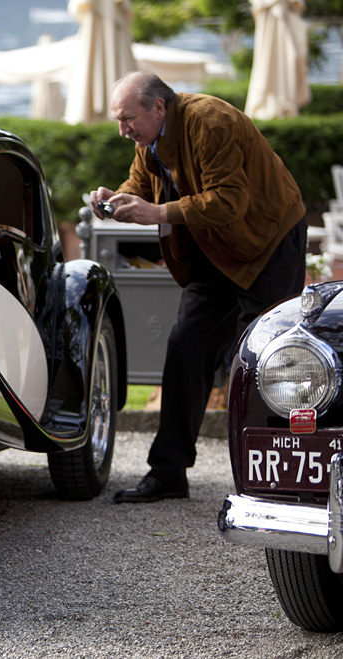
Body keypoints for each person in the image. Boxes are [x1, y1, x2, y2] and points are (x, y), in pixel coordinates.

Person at [91, 71, 307, 503]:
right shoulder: (149, 141)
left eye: (128, 119)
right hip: (215, 250)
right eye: (118, 121)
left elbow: (230, 201)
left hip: (267, 244)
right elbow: (142, 184)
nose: (122, 130)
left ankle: (278, 481)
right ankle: (168, 473)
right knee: (185, 349)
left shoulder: (210, 121)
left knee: (267, 360)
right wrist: (116, 198)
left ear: (158, 108)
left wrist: (158, 213)